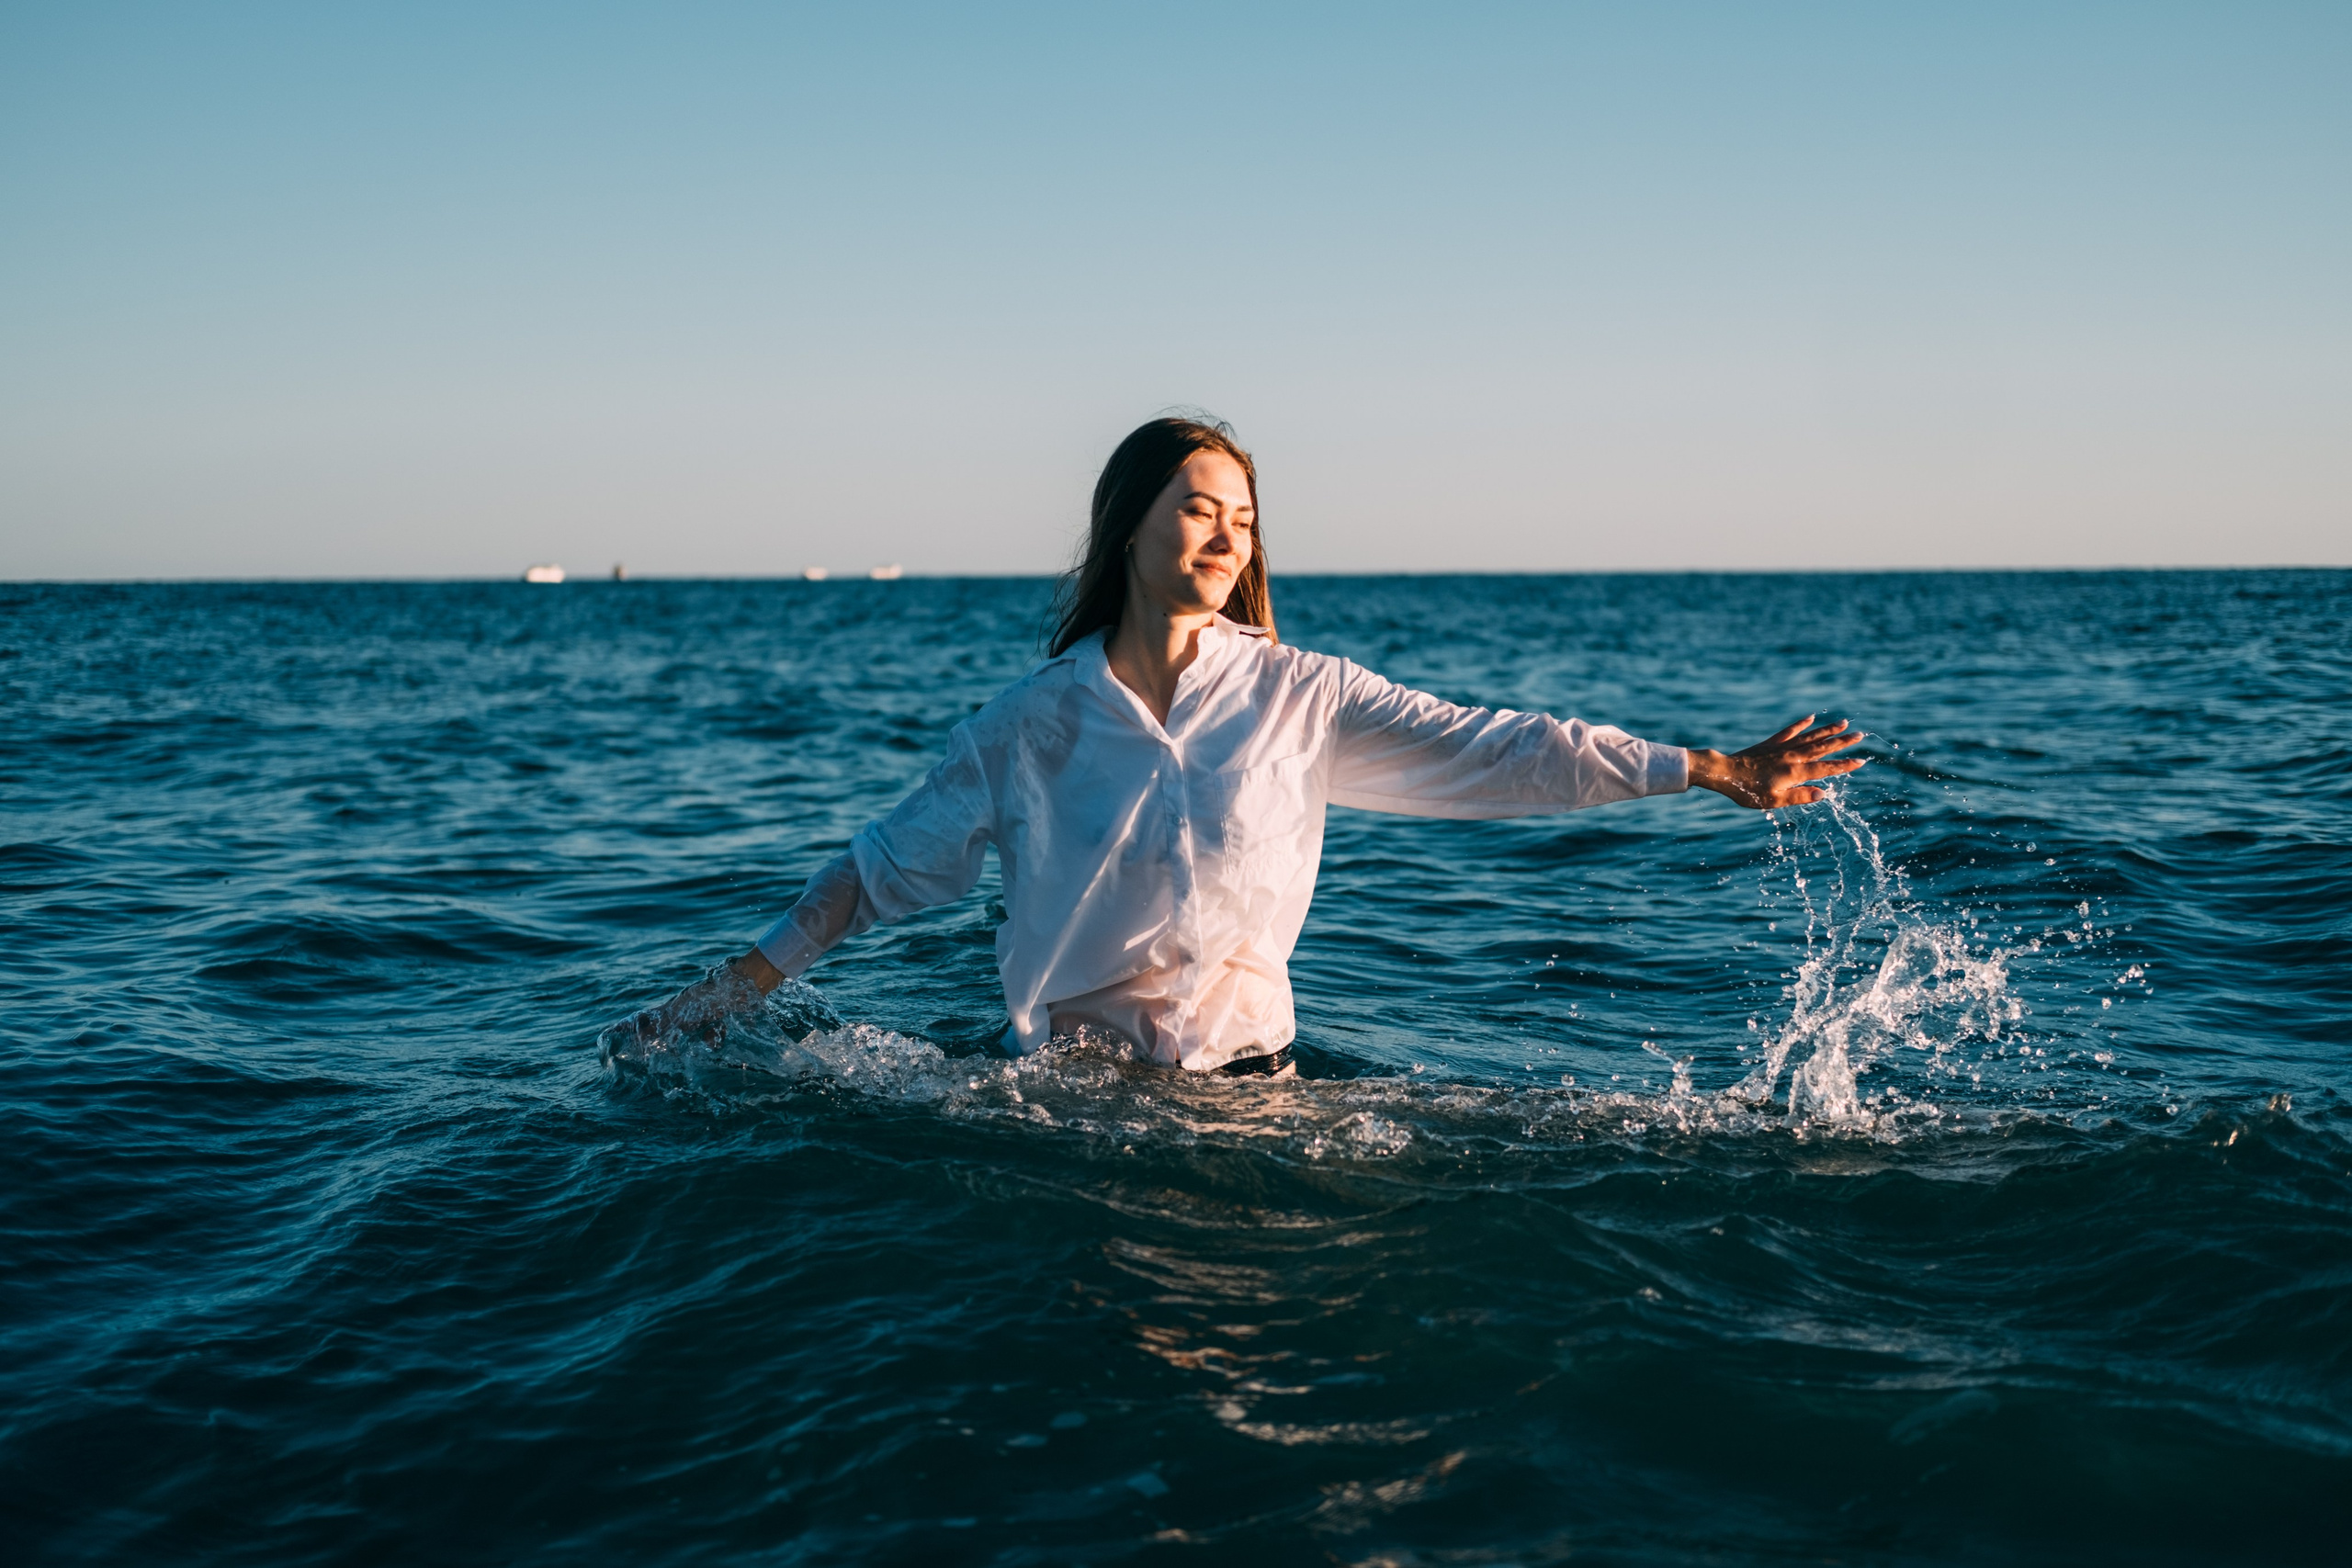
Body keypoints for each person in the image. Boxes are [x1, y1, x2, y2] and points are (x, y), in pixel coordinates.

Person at [638, 417, 1864, 1075]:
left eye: (1244, 519)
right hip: (1068, 1108)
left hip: (1253, 1092)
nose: (1226, 534)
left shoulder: (1301, 695)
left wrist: (1708, 767)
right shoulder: (1029, 725)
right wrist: (734, 991)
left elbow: (1501, 748)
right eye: (1197, 509)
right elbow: (874, 871)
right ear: (1130, 528)